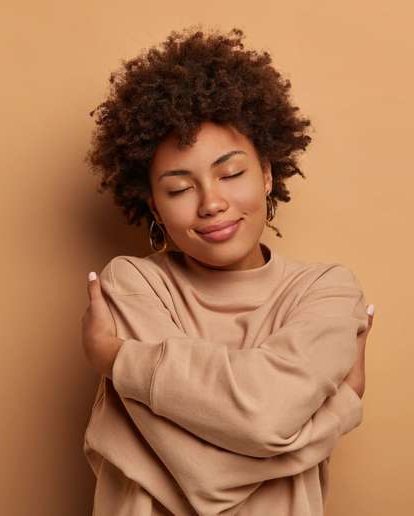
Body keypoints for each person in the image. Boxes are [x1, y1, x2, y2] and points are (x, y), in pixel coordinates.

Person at [80, 26, 376, 516]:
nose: (212, 203)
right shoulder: (133, 285)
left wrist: (117, 360)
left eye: (232, 173)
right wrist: (339, 410)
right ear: (153, 205)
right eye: (178, 189)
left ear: (266, 173)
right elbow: (204, 476)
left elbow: (261, 418)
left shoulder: (325, 290)